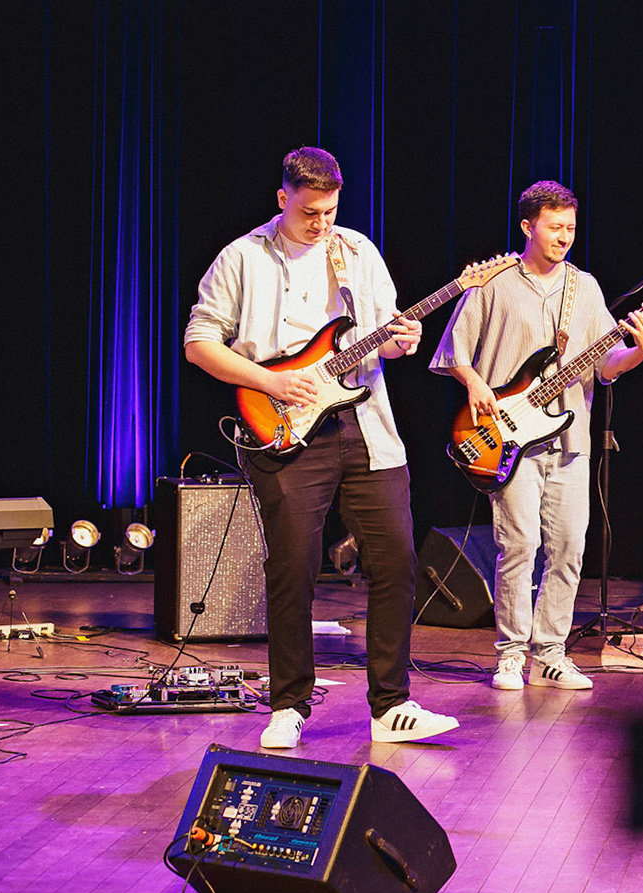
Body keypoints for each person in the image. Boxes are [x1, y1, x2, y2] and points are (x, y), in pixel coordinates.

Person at [184, 146, 458, 750]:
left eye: (330, 211)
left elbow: (386, 334)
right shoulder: (242, 257)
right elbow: (199, 343)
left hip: (367, 425)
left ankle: (391, 705)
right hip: (283, 427)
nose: (321, 223)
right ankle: (288, 706)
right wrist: (271, 381)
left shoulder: (357, 251)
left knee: (397, 562)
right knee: (292, 569)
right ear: (283, 198)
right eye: (309, 212)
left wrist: (403, 340)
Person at [429, 181, 643, 692]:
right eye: (555, 227)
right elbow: (453, 352)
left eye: (571, 228)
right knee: (520, 545)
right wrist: (475, 384)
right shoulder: (492, 282)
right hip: (507, 439)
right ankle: (512, 654)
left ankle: (551, 652)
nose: (564, 237)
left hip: (570, 441)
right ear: (527, 227)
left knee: (570, 548)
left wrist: (641, 351)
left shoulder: (585, 288)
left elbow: (605, 366)